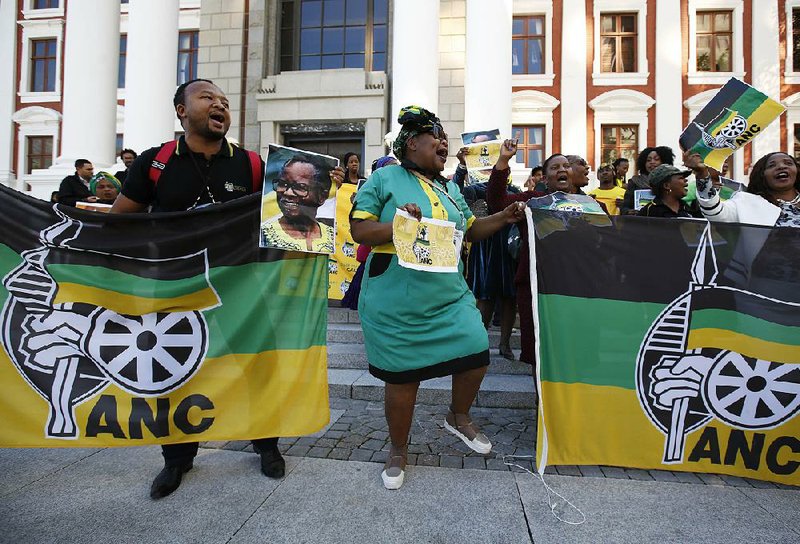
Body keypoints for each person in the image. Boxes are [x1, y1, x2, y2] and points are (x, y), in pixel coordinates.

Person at [111, 78, 327, 499]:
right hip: (174, 288)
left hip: (243, 290)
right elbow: (121, 220)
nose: (220, 106)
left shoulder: (252, 166)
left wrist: (324, 187)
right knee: (174, 374)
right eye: (208, 98)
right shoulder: (154, 163)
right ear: (181, 111)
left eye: (225, 102)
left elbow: (292, 216)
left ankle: (266, 446)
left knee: (258, 369)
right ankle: (177, 459)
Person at [350, 106, 526, 490]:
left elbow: (473, 228)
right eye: (437, 137)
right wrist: (400, 224)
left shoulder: (449, 187)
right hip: (396, 297)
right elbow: (360, 230)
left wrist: (506, 217)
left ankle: (458, 416)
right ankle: (397, 449)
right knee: (402, 378)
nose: (445, 143)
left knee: (477, 349)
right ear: (412, 143)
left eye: (446, 138)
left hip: (448, 294)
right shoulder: (383, 178)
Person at [487, 147, 572, 366]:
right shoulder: (533, 200)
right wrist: (504, 160)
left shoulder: (590, 205)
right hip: (535, 285)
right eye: (555, 167)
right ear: (545, 178)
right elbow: (497, 202)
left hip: (573, 287)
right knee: (538, 351)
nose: (562, 170)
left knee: (571, 349)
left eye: (566, 166)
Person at [455, 149, 519, 360]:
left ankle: (505, 344)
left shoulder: (514, 190)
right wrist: (462, 164)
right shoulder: (473, 190)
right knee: (484, 295)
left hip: (509, 245)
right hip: (484, 245)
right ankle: (479, 343)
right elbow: (454, 191)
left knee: (510, 295)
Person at [686, 151, 800, 228]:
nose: (781, 167)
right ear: (761, 175)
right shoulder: (746, 202)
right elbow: (715, 212)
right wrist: (702, 175)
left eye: (788, 163)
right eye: (771, 165)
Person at [260, 156, 335, 253]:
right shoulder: (264, 235)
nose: (288, 193)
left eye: (300, 187)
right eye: (282, 184)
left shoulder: (333, 236)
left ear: (322, 196)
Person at [621, 146, 676, 214]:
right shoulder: (635, 182)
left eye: (656, 159)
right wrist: (628, 211)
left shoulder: (670, 181)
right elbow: (624, 207)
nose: (652, 162)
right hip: (640, 221)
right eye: (648, 160)